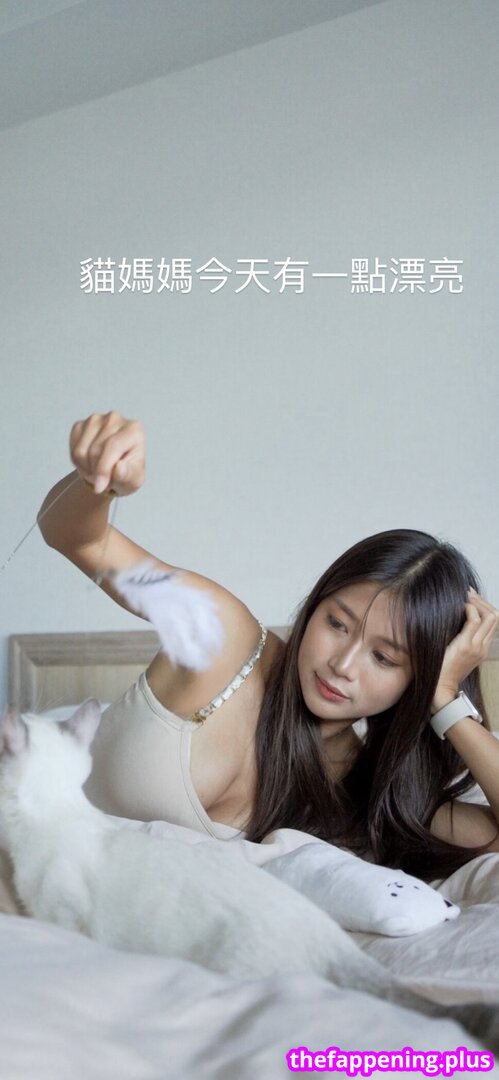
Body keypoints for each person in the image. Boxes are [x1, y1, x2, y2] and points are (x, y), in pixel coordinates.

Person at [37, 411, 499, 882]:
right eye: (336, 623)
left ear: (416, 679)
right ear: (315, 604)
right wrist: (98, 482)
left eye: (383, 657)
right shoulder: (220, 635)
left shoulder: (366, 789)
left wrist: (444, 699)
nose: (342, 664)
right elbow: (74, 536)